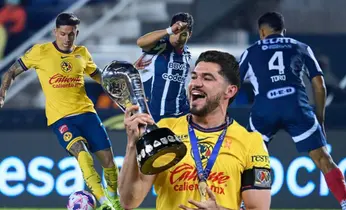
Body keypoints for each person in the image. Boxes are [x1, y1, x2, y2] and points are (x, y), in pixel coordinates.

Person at [118, 50, 272, 210]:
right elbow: (129, 201)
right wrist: (132, 144)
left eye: (207, 78)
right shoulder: (165, 130)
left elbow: (259, 208)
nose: (195, 83)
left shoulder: (251, 142)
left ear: (230, 91)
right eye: (194, 77)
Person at [0, 13, 122, 210]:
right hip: (61, 118)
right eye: (63, 34)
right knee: (83, 155)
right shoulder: (40, 52)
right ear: (55, 32)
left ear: (76, 33)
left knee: (109, 162)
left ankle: (114, 199)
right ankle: (104, 203)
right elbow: (12, 71)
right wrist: (3, 91)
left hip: (87, 114)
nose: (67, 39)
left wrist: (113, 87)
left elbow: (97, 74)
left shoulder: (82, 53)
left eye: (71, 34)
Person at [238, 12, 346, 210]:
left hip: (265, 109)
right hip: (296, 106)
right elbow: (319, 85)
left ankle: (242, 204)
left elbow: (233, 84)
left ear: (262, 31)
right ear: (284, 30)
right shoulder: (300, 47)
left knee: (251, 159)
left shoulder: (251, 51)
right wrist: (320, 119)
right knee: (323, 158)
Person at [134, 12, 193, 122]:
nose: (178, 38)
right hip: (156, 117)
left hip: (180, 116)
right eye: (175, 33)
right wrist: (169, 30)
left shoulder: (187, 54)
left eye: (183, 34)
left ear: (190, 35)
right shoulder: (160, 46)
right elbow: (141, 42)